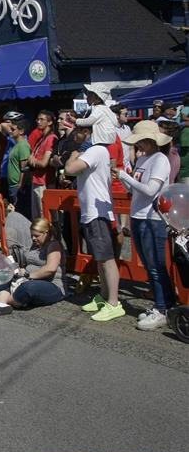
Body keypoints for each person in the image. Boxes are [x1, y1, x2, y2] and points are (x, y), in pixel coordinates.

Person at [117, 120, 175, 330]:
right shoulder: (145, 159)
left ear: (151, 140)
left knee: (156, 266)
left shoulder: (160, 159)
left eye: (140, 142)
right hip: (139, 215)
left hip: (152, 218)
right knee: (151, 265)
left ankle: (163, 308)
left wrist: (125, 176)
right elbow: (136, 190)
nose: (138, 145)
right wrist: (124, 177)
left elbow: (151, 190)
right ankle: (163, 306)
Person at [64, 125, 123, 322]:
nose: (76, 135)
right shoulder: (95, 151)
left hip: (97, 213)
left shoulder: (95, 150)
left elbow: (69, 169)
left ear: (89, 133)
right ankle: (105, 297)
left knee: (106, 258)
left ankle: (114, 303)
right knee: (100, 258)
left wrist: (73, 154)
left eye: (79, 131)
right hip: (92, 212)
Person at [0, 218, 65, 316]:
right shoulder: (35, 245)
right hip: (26, 279)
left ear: (46, 233)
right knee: (1, 275)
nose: (33, 238)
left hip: (52, 285)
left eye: (36, 236)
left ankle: (3, 300)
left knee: (29, 288)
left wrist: (28, 275)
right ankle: (1, 304)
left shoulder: (54, 245)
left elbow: (50, 269)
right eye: (32, 236)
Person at [28, 110, 57, 220]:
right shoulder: (41, 138)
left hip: (43, 182)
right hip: (36, 180)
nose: (38, 122)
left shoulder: (51, 138)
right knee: (36, 217)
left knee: (43, 215)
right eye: (38, 119)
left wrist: (31, 159)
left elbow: (44, 162)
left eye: (42, 119)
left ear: (49, 122)